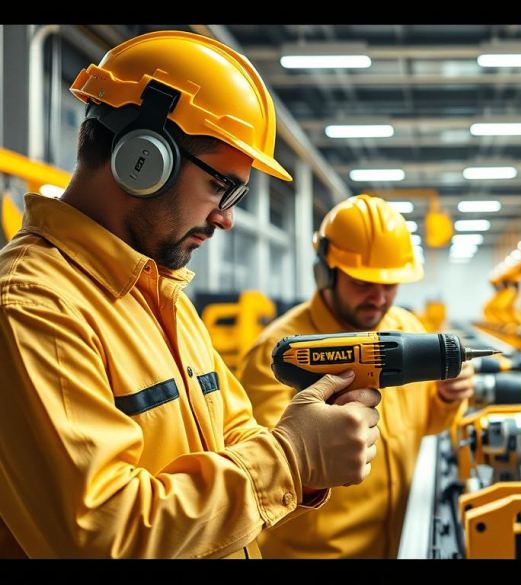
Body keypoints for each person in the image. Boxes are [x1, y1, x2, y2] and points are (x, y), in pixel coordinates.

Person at [0, 31, 381, 558]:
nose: (226, 217)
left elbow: (239, 442)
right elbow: (107, 533)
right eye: (222, 187)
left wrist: (312, 443)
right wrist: (291, 456)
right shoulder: (34, 308)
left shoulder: (160, 295)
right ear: (143, 157)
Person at [237, 194, 475, 558]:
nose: (379, 298)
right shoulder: (279, 356)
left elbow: (422, 425)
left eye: (390, 284)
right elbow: (265, 478)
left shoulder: (405, 328)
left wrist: (446, 398)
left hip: (402, 541)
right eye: (364, 283)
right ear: (326, 272)